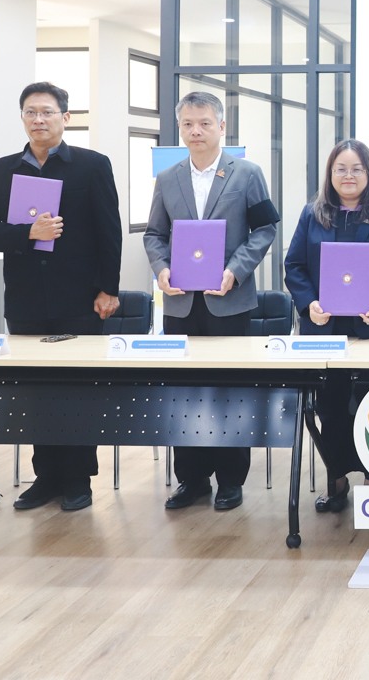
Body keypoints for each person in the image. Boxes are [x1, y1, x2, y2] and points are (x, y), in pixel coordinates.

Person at [0, 82, 122, 513]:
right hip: (26, 300)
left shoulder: (91, 165)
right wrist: (26, 234)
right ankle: (45, 478)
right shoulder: (1, 171)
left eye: (48, 112)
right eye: (31, 112)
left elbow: (109, 230)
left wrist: (109, 288)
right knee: (34, 392)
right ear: (22, 117)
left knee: (77, 389)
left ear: (65, 118)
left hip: (80, 299)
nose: (39, 120)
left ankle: (77, 480)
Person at [145, 91, 279, 512]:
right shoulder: (167, 178)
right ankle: (192, 479)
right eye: (188, 124)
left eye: (204, 123)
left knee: (229, 391)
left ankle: (230, 480)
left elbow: (266, 229)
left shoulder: (248, 174)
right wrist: (161, 269)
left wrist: (235, 270)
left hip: (229, 301)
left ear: (222, 127)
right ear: (179, 128)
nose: (196, 131)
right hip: (180, 305)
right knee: (184, 393)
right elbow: (154, 235)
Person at [284, 139, 369, 512]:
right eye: (340, 169)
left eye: (356, 168)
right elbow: (294, 265)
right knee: (329, 407)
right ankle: (337, 479)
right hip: (326, 331)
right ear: (330, 174)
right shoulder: (312, 214)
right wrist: (309, 304)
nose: (348, 176)